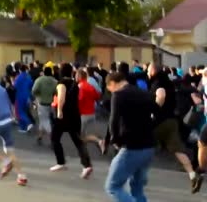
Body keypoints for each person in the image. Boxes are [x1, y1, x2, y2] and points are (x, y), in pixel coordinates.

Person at [148, 63, 203, 193]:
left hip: (159, 122)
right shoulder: (168, 81)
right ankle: (192, 175)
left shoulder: (158, 82)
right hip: (172, 121)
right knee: (177, 149)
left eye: (149, 70)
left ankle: (134, 175)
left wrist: (154, 112)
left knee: (141, 144)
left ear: (153, 71)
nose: (147, 73)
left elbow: (160, 95)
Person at [104, 72, 156, 202]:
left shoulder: (118, 95)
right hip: (149, 146)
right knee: (137, 186)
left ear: (112, 84)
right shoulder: (143, 93)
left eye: (109, 89)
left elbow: (113, 121)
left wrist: (115, 140)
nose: (111, 93)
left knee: (112, 186)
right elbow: (157, 113)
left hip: (131, 146)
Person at [50, 63, 93, 179]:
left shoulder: (61, 83)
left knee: (55, 138)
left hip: (64, 116)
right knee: (78, 141)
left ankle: (61, 162)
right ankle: (87, 165)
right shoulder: (75, 83)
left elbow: (61, 97)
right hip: (75, 115)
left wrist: (59, 111)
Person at [76, 69, 103, 151]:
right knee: (84, 134)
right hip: (91, 113)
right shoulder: (89, 86)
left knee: (79, 137)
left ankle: (99, 141)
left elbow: (79, 101)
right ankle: (96, 142)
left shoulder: (80, 87)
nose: (75, 77)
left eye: (76, 75)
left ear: (80, 76)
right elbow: (97, 96)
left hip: (83, 114)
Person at [32, 66, 57, 145]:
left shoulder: (39, 80)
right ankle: (40, 136)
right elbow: (56, 92)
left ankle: (53, 139)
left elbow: (34, 90)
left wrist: (38, 95)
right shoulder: (55, 81)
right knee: (43, 119)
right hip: (51, 103)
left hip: (42, 103)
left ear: (44, 72)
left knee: (45, 121)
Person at [14, 65, 34, 132]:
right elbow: (31, 84)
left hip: (19, 96)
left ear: (19, 70)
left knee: (19, 112)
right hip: (27, 96)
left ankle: (28, 123)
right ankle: (23, 128)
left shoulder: (18, 77)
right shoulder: (28, 77)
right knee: (24, 111)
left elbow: (15, 86)